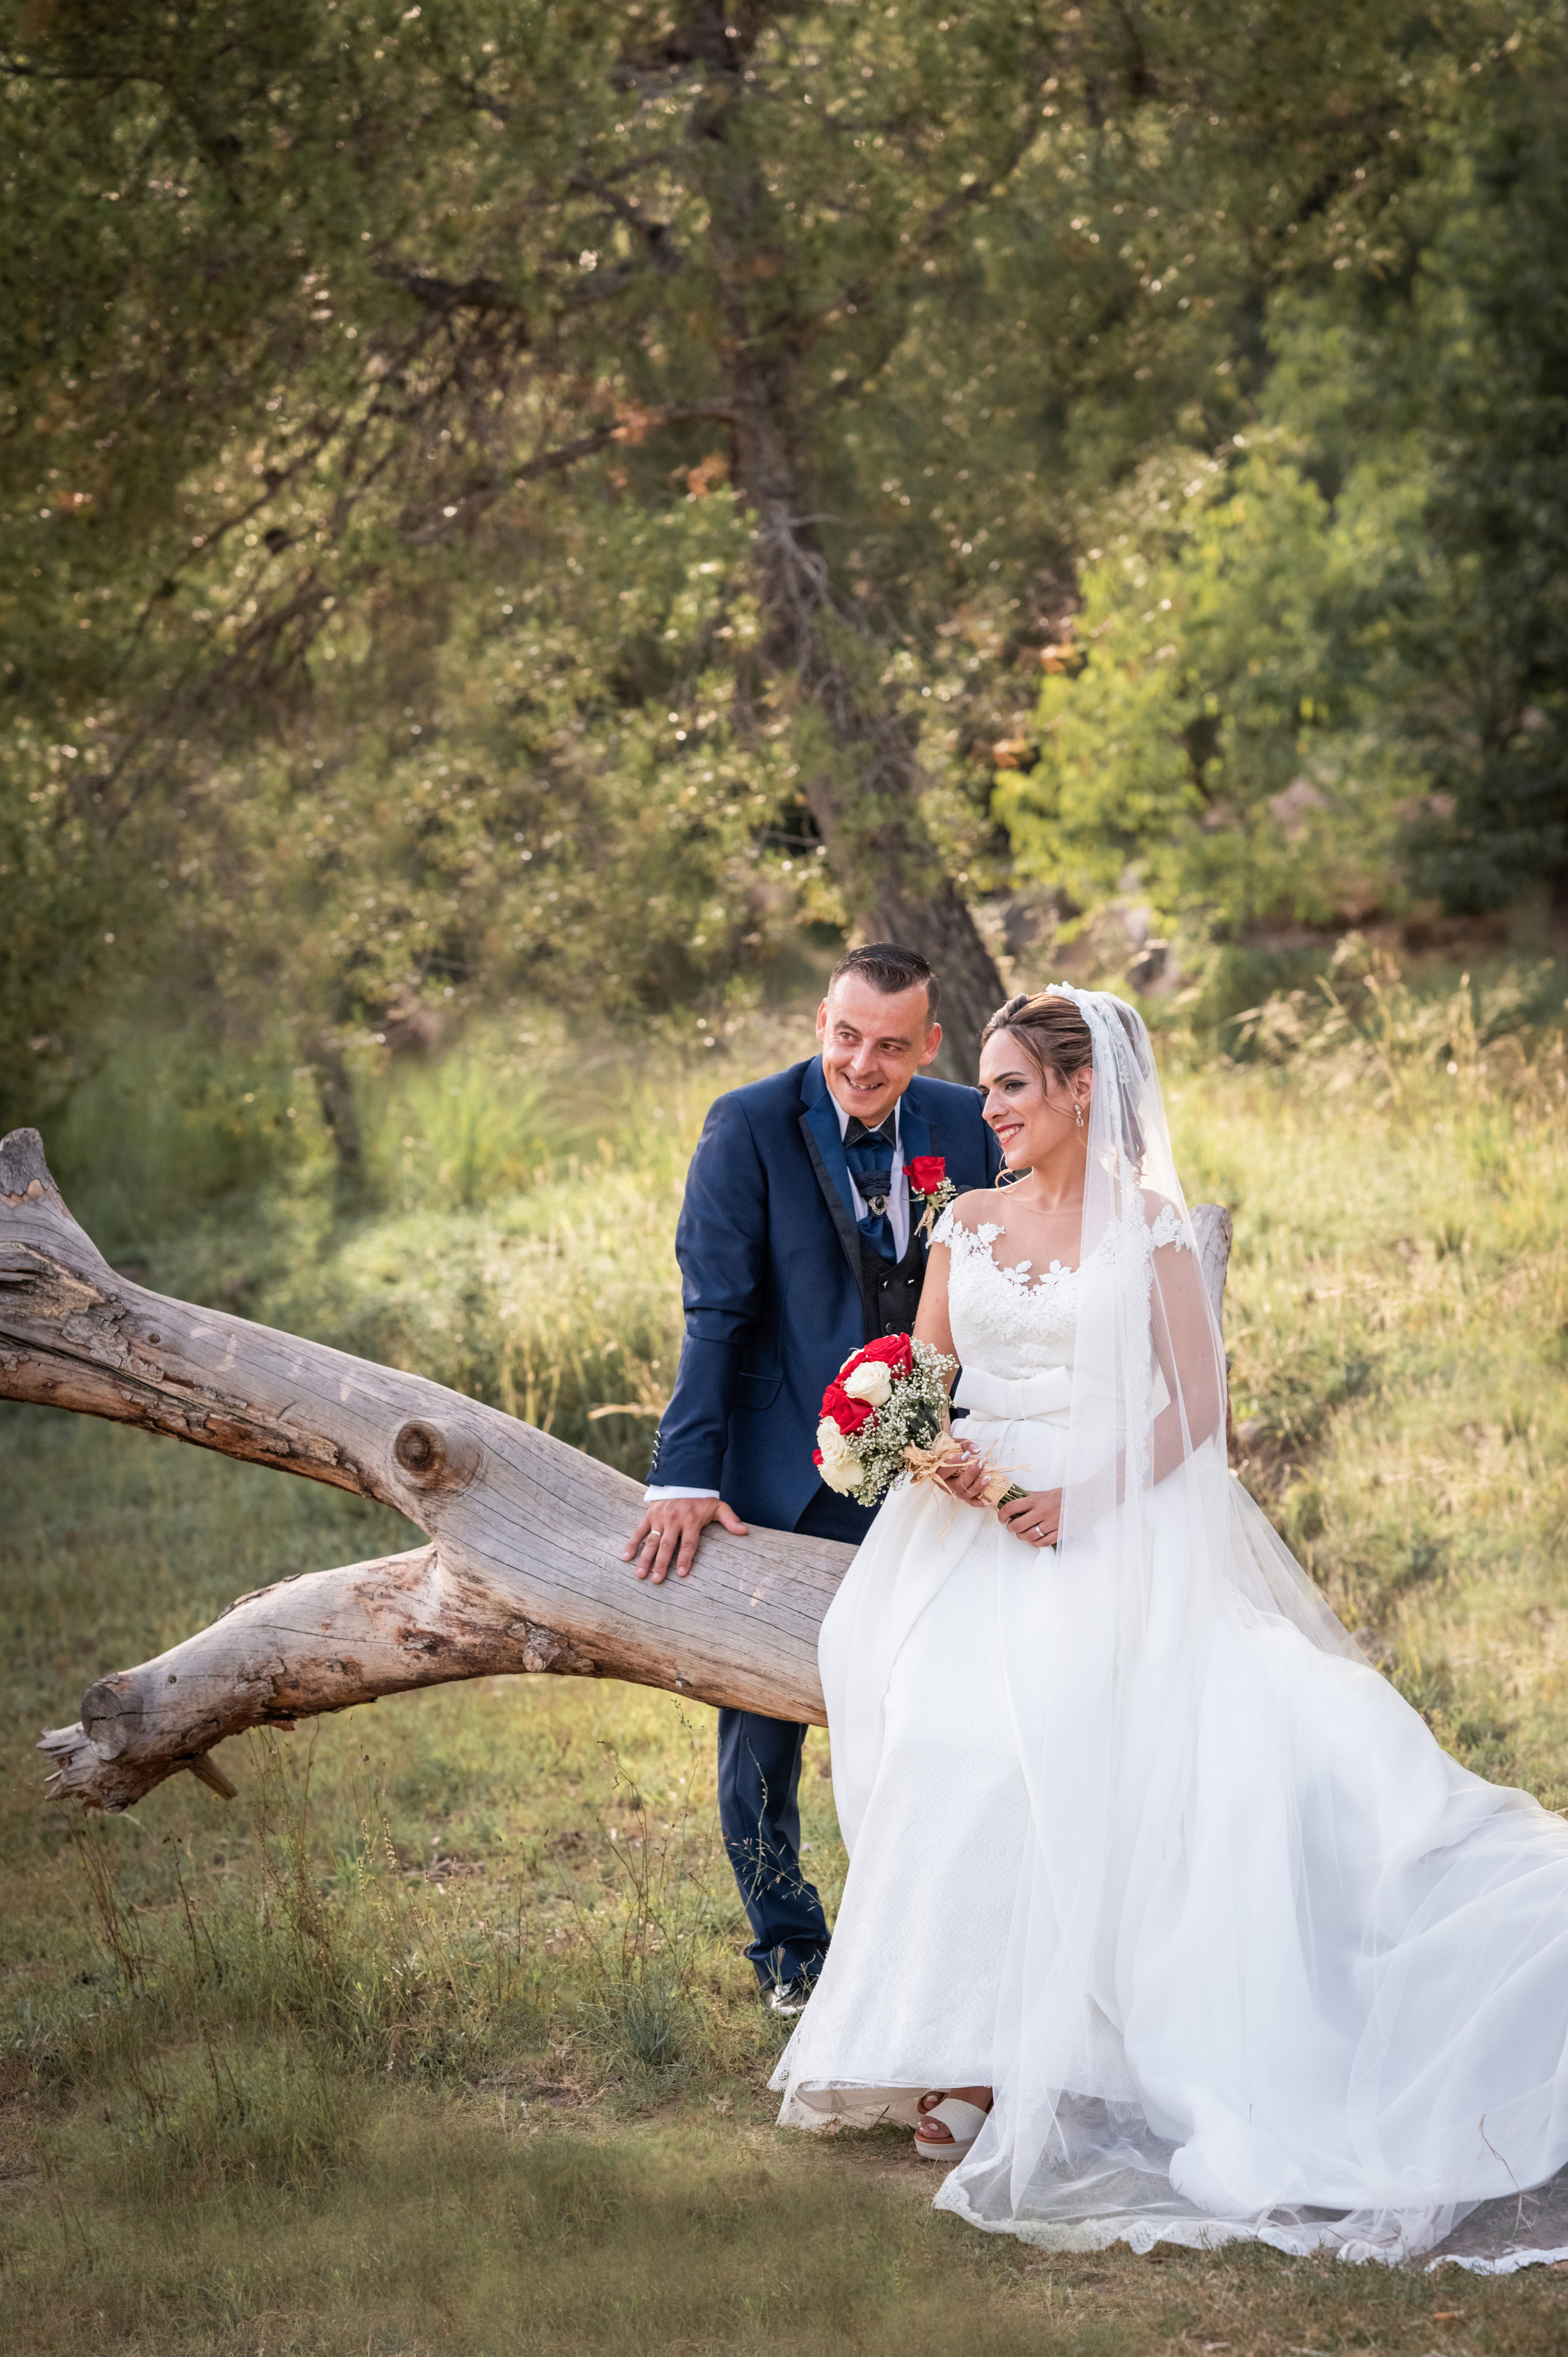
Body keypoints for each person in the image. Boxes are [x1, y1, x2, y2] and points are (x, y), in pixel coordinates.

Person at [771, 984, 1568, 2270]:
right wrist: (942, 1457)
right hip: (970, 1527)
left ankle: (1055, 2055)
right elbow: (920, 1379)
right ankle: (970, 2043)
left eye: (1012, 1087)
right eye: (983, 1087)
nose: (988, 1110)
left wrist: (1074, 1502)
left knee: (1095, 1745)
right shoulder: (961, 1223)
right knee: (946, 1743)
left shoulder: (1149, 1232)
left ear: (1083, 1090)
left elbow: (1194, 1410)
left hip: (1108, 1518)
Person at [622, 945, 1003, 2013]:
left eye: (890, 1045)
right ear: (820, 1020)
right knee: (765, 1718)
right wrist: (683, 1473)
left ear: (929, 1043)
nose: (863, 1065)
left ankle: (919, 1946)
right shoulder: (747, 1124)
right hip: (788, 1466)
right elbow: (715, 1310)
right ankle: (791, 1953)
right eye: (846, 1036)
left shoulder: (966, 1123)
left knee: (935, 1706)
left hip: (935, 1467)